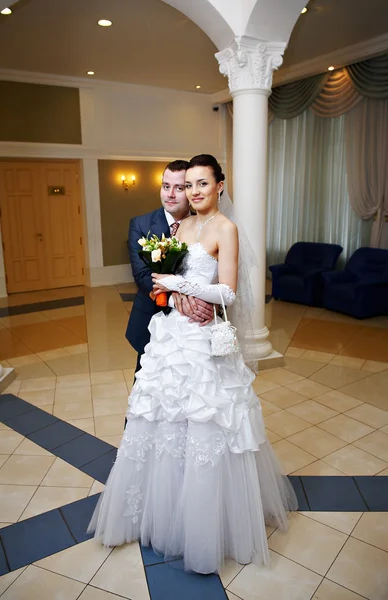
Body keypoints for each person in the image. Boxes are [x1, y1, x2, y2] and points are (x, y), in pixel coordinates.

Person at [89, 154, 297, 574]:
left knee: (206, 421)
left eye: (203, 183)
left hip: (203, 342)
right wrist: (179, 294)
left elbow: (229, 291)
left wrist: (181, 285)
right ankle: (160, 507)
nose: (194, 191)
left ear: (220, 185)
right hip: (171, 334)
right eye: (190, 185)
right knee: (162, 419)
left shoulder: (227, 228)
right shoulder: (181, 226)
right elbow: (155, 276)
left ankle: (206, 521)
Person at [125, 159, 214, 374]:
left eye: (179, 188)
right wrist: (177, 297)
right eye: (166, 187)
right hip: (151, 322)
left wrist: (213, 306)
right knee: (149, 391)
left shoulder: (206, 227)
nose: (170, 194)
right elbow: (143, 276)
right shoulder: (141, 224)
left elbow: (213, 273)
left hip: (195, 329)